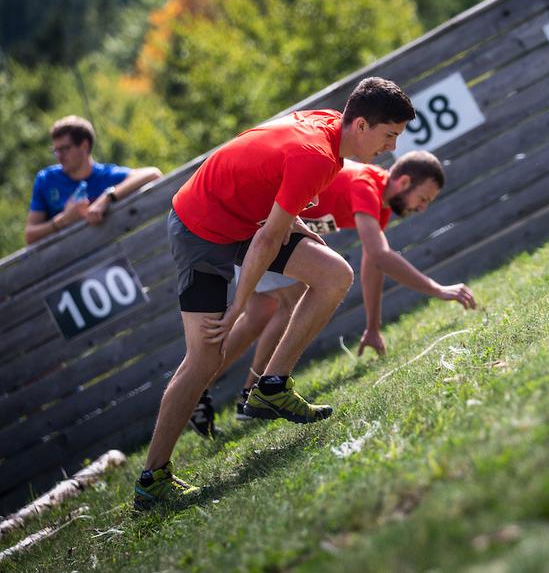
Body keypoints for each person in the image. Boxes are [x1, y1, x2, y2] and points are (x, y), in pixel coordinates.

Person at [133, 77, 413, 509]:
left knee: (333, 273)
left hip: (244, 221)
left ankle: (272, 384)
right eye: (389, 135)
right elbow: (266, 243)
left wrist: (300, 234)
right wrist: (239, 304)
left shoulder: (330, 132)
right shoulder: (318, 155)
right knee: (205, 356)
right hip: (198, 229)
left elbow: (276, 196)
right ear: (360, 124)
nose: (390, 148)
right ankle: (153, 478)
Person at [190, 151, 475, 432]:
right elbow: (380, 255)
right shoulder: (365, 184)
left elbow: (372, 263)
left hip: (266, 229)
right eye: (423, 199)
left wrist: (373, 327)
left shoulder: (381, 204)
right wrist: (438, 289)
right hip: (260, 227)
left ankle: (207, 390)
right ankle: (240, 391)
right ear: (403, 183)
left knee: (262, 311)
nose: (422, 208)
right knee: (290, 302)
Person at [25, 115, 162, 244]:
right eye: (56, 150)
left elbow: (153, 174)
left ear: (84, 146)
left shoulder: (105, 175)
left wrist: (106, 197)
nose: (59, 156)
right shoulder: (46, 180)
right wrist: (63, 220)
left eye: (65, 149)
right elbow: (30, 235)